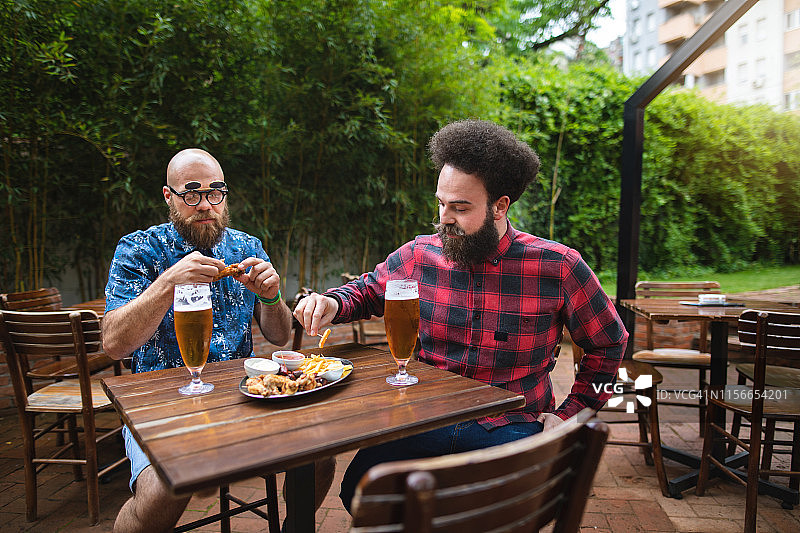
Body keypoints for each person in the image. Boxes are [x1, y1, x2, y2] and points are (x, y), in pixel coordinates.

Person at [294, 119, 628, 512]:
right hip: (423, 418)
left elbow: (609, 344)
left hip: (512, 425)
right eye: (440, 203)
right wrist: (333, 304)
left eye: (460, 207)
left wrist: (570, 416)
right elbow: (368, 290)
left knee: (500, 512)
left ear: (500, 205)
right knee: (364, 495)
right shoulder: (419, 254)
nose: (444, 218)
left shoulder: (558, 266)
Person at [102, 148, 333, 533]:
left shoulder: (246, 247)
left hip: (244, 397)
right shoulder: (139, 250)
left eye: (216, 192)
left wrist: (272, 296)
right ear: (168, 196)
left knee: (320, 456)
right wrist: (167, 284)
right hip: (161, 406)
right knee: (163, 492)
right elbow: (113, 344)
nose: (205, 205)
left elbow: (277, 336)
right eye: (191, 194)